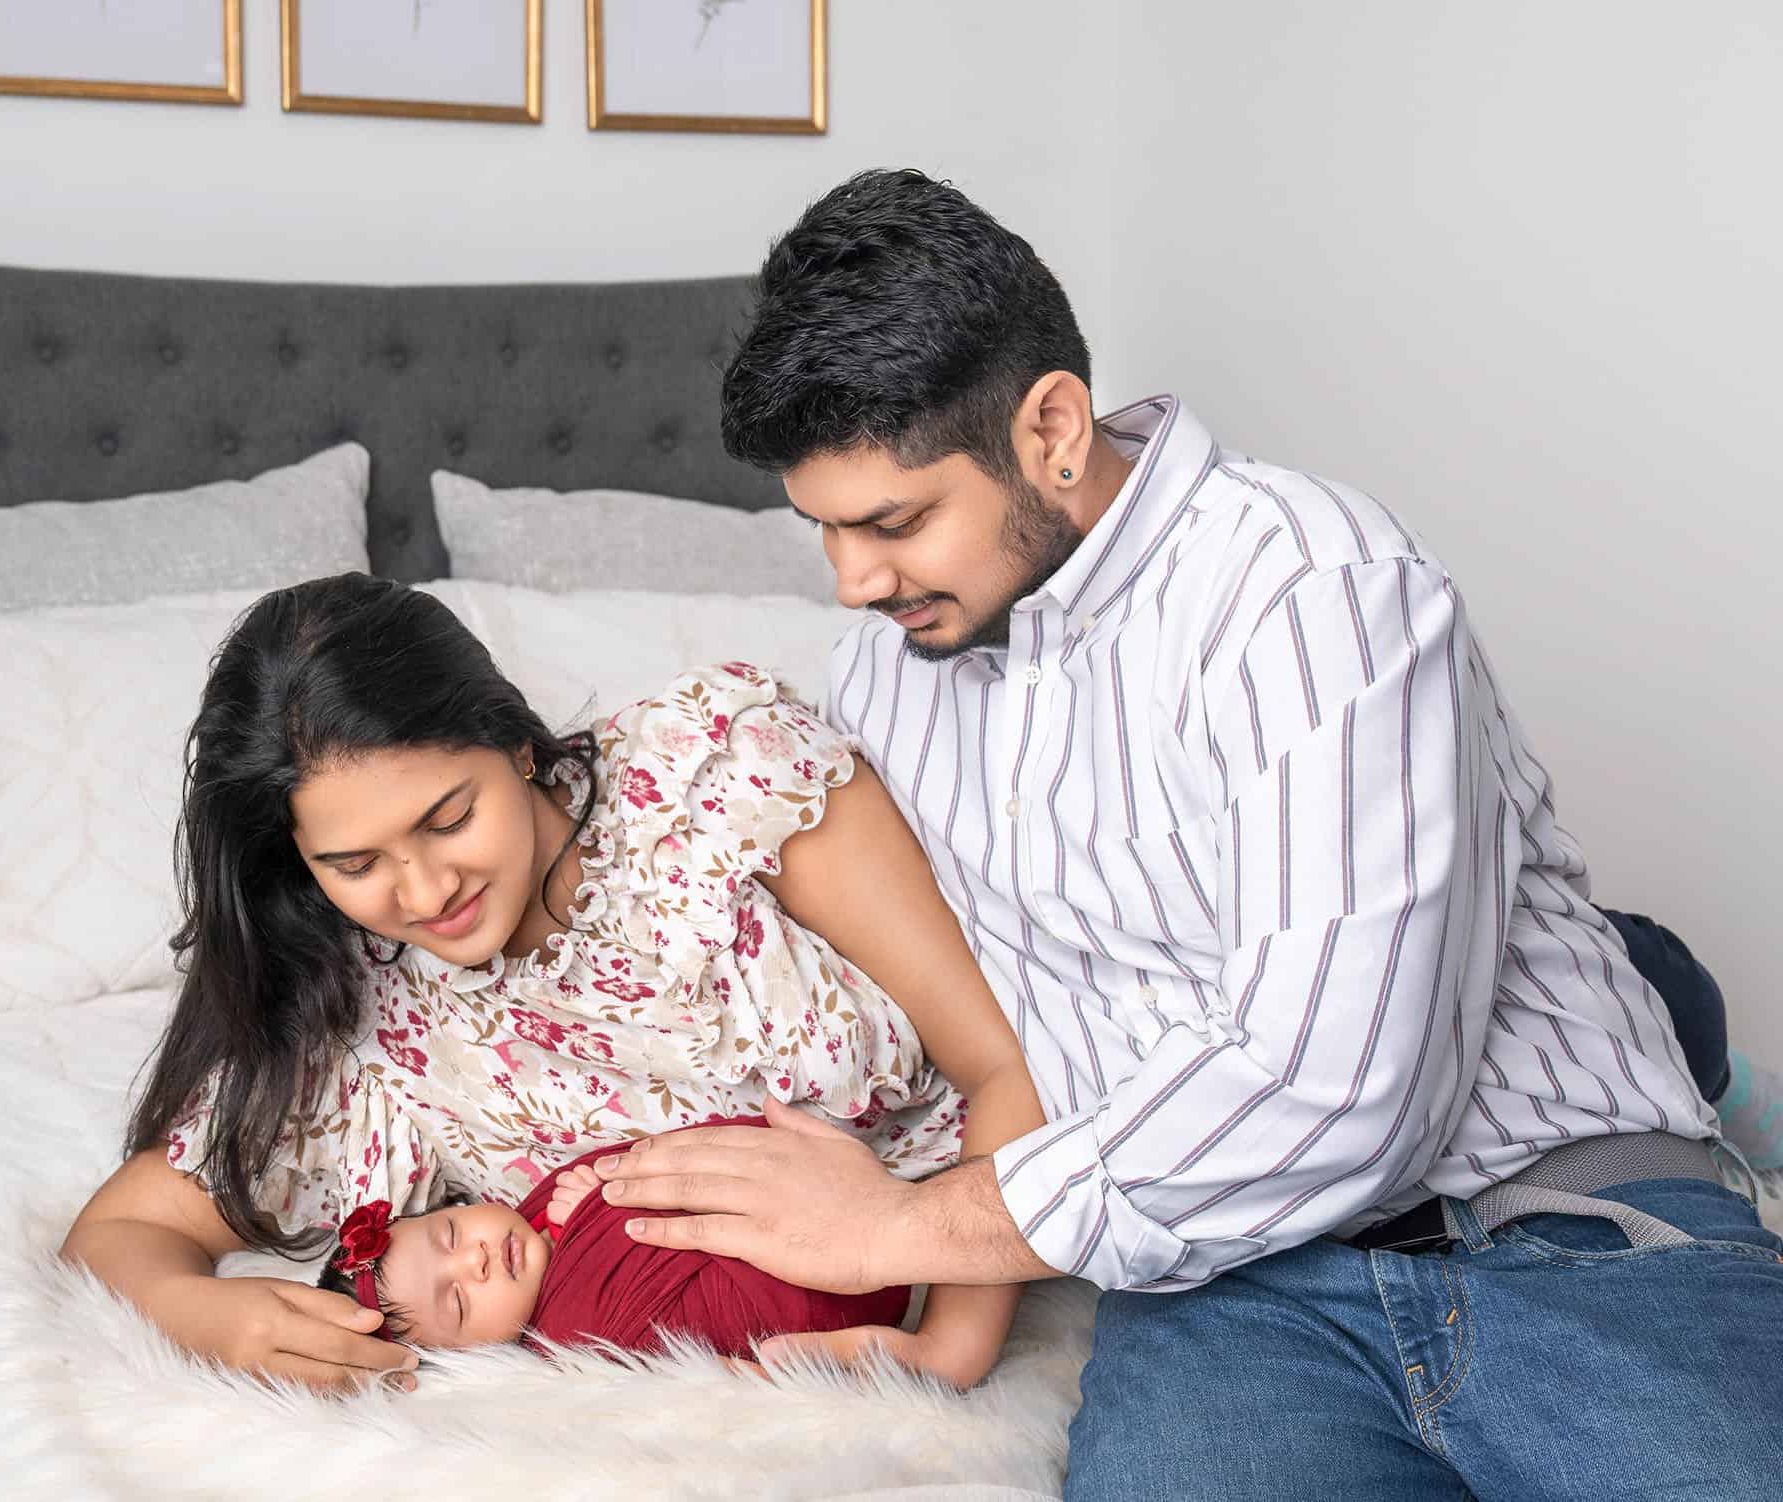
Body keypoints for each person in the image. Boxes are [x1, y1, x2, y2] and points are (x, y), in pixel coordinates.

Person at [591, 169, 1783, 1498]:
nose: (854, 582)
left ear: (1051, 427)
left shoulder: (1313, 585)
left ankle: (1685, 1035)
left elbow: (1332, 1089)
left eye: (896, 521)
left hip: (1553, 1220)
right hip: (1229, 1292)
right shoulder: (882, 681)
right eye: (822, 533)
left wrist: (903, 1224)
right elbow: (888, 1010)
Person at [60, 573, 1042, 1393]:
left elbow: (1007, 1058)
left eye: (448, 818)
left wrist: (948, 1344)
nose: (426, 889)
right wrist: (201, 1314)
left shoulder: (711, 777)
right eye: (355, 864)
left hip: (1036, 1217)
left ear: (515, 744)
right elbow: (121, 1230)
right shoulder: (373, 1022)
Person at [315, 1117, 912, 1362]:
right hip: (823, 1290)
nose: (475, 1259)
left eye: (450, 1233)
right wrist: (597, 1206)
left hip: (843, 1197)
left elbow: (674, 1157)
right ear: (480, 1356)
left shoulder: (539, 1208)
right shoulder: (569, 1333)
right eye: (461, 1302)